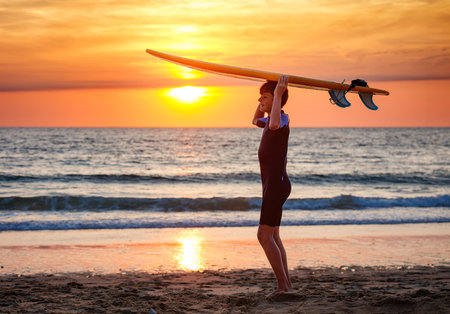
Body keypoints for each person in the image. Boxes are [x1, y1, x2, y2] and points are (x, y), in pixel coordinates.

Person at [252, 75, 293, 300]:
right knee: (273, 236)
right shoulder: (267, 122)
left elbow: (276, 122)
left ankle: (283, 287)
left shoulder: (281, 120)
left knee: (263, 235)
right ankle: (286, 285)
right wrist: (263, 99)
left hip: (276, 186)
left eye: (264, 96)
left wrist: (277, 94)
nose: (261, 100)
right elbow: (253, 120)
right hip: (273, 186)